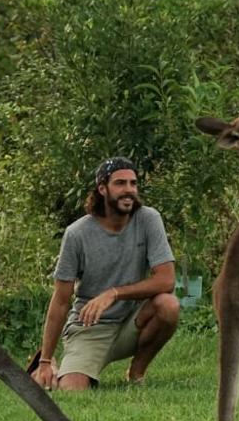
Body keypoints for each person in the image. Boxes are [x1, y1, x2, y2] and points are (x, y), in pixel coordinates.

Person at [33, 157, 180, 391]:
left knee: (168, 305)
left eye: (133, 183)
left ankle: (136, 372)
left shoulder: (148, 219)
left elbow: (167, 279)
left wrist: (114, 293)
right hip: (90, 326)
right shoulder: (77, 234)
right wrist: (45, 360)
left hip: (133, 320)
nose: (129, 190)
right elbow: (61, 300)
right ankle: (56, 368)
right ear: (102, 189)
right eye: (120, 183)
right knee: (72, 391)